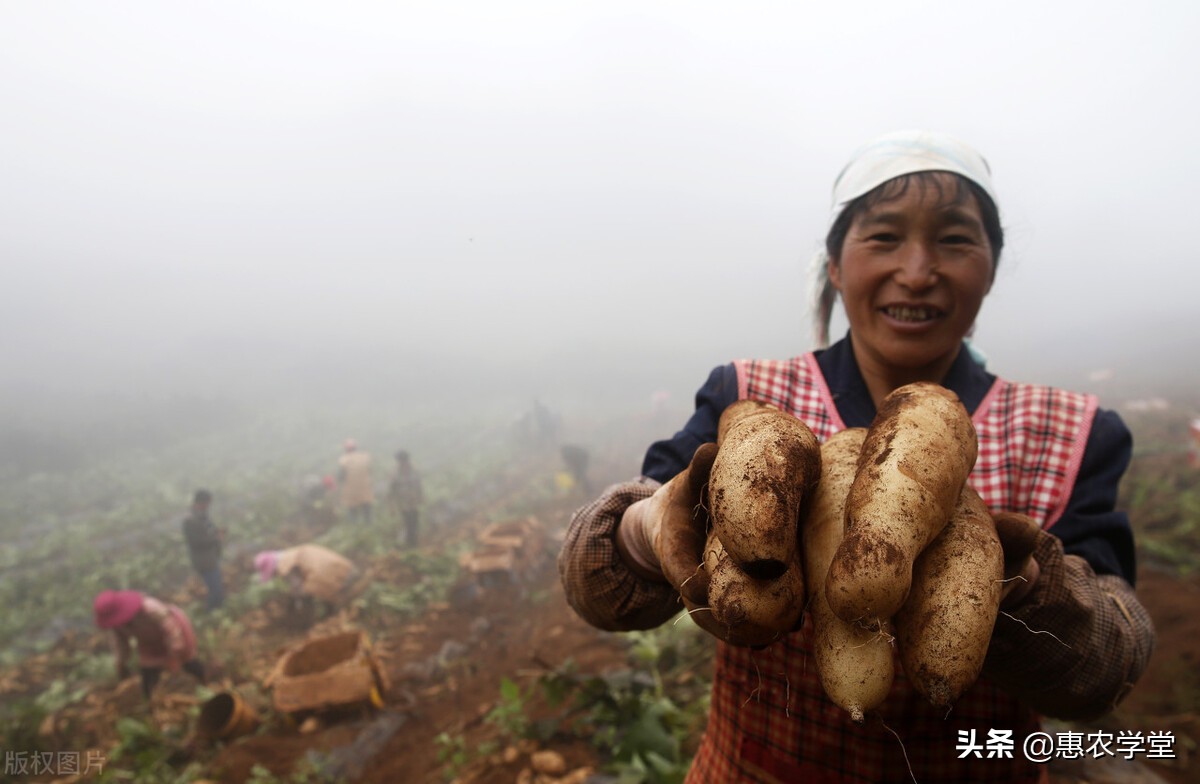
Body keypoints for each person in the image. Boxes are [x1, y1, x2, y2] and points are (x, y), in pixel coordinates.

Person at [558, 131, 1156, 783]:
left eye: (955, 239)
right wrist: (645, 532)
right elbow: (596, 589)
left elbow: (1117, 654)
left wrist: (1033, 597)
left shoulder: (1070, 433)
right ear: (836, 265)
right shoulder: (747, 397)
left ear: (990, 267)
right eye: (884, 237)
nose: (918, 270)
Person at [93, 590, 206, 700]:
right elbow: (121, 644)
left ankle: (205, 684)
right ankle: (149, 701)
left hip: (175, 631)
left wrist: (175, 654)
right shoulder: (117, 626)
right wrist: (121, 663)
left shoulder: (149, 608)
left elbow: (171, 629)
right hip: (149, 643)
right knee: (148, 674)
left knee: (187, 661)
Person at [254, 544, 361, 622]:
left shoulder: (286, 565)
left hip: (339, 577)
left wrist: (297, 608)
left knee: (309, 593)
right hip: (347, 568)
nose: (275, 576)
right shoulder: (293, 554)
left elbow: (299, 589)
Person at [182, 489, 224, 611]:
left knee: (216, 587)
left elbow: (208, 531)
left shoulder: (202, 516)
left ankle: (217, 611)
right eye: (207, 503)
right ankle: (211, 613)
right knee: (215, 590)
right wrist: (216, 538)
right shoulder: (190, 520)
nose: (208, 506)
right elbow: (196, 542)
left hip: (211, 557)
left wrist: (217, 533)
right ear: (201, 502)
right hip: (204, 560)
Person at [388, 450, 424, 547]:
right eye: (401, 461)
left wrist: (421, 497)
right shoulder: (395, 473)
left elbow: (419, 484)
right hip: (403, 503)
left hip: (414, 501)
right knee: (408, 522)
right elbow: (392, 490)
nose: (404, 463)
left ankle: (414, 541)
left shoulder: (415, 470)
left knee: (415, 521)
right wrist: (392, 506)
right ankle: (410, 543)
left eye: (405, 460)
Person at [338, 438, 374, 523]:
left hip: (351, 491)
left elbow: (341, 477)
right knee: (367, 510)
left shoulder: (343, 460)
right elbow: (370, 471)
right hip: (365, 488)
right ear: (356, 448)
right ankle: (369, 527)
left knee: (352, 511)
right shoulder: (365, 457)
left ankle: (354, 530)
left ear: (346, 449)